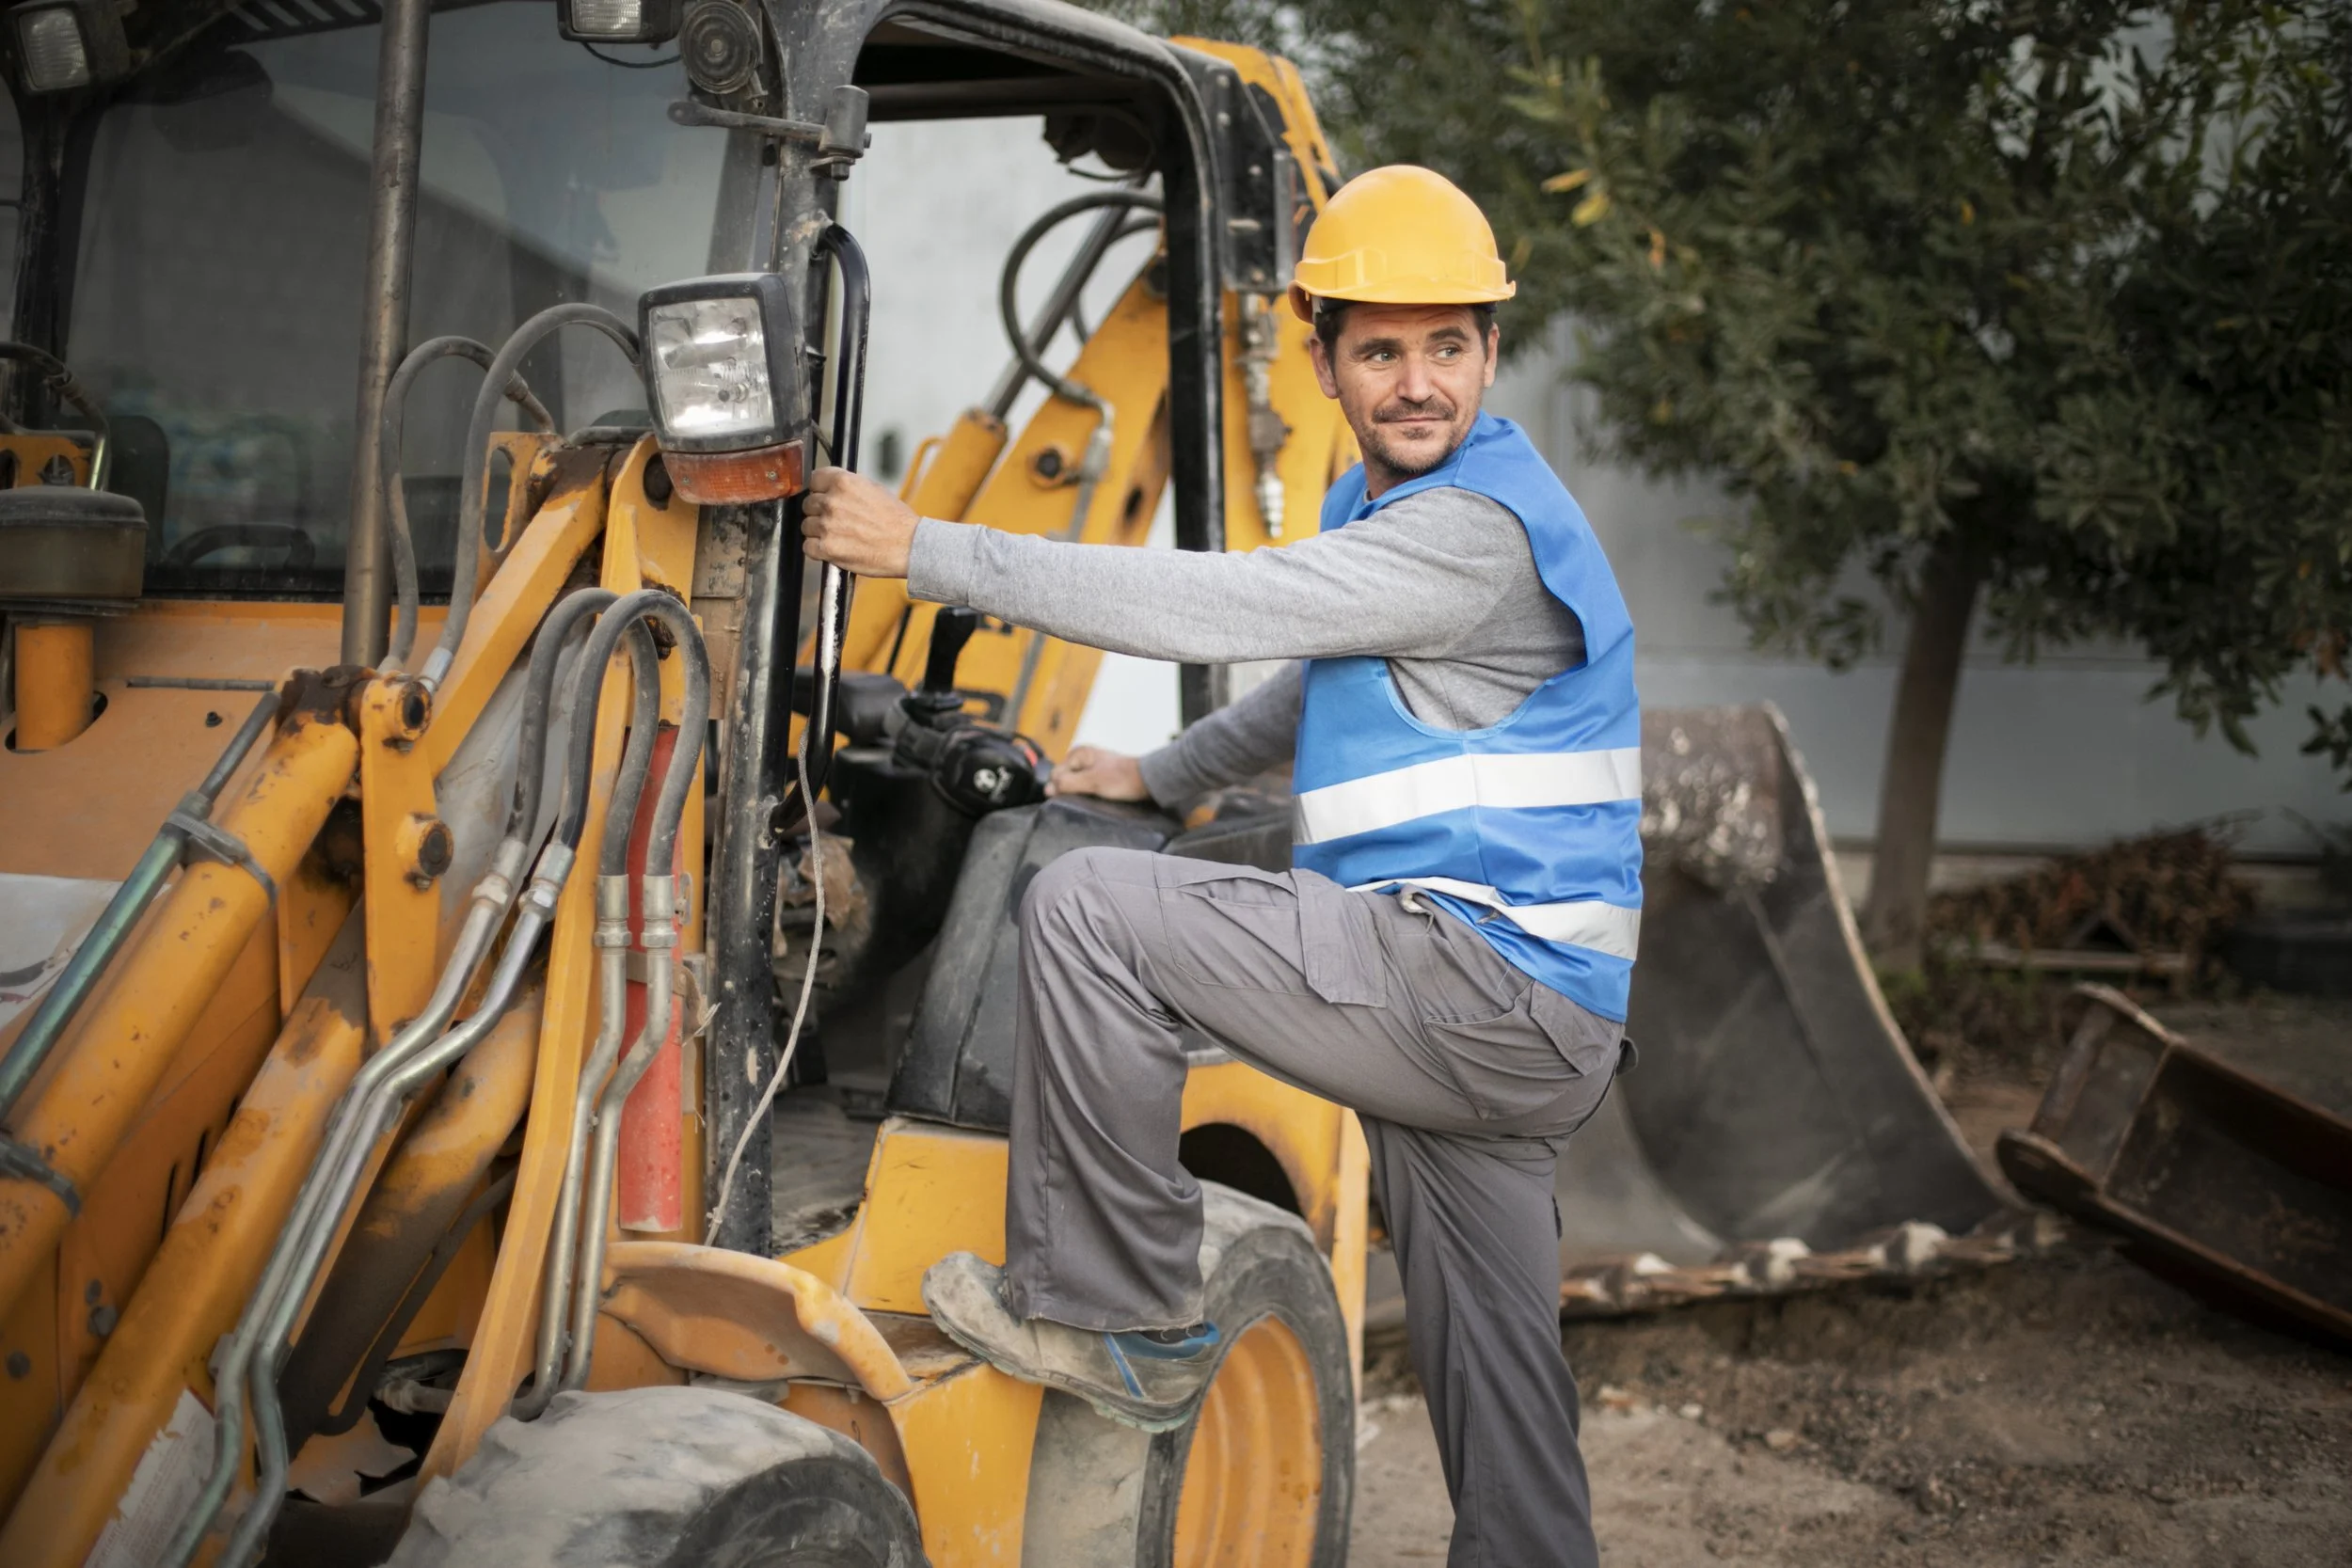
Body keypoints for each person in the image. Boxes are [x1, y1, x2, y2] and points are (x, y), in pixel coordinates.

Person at [803, 165, 1640, 1568]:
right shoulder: (1444, 519)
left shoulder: (1468, 533)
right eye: (1381, 349)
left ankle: (1119, 1311)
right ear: (1323, 360)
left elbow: (1223, 600)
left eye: (1447, 346)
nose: (1418, 381)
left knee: (1088, 908)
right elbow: (1319, 678)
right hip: (1538, 1021)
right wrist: (1159, 772)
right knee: (1501, 1393)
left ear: (1492, 352)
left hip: (1471, 979)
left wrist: (925, 549)